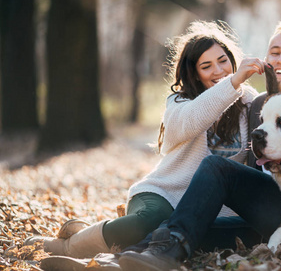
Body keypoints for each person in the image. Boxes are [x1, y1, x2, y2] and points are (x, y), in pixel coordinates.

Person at [116, 19, 281, 270]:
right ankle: (127, 260)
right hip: (265, 208)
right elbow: (211, 119)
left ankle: (154, 252)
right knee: (184, 224)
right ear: (267, 59)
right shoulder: (258, 103)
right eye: (275, 52)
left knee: (215, 171)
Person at [27, 20, 266, 260]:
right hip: (163, 194)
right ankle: (69, 247)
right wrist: (233, 82)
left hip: (204, 208)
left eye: (223, 60)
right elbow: (194, 120)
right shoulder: (179, 103)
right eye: (207, 66)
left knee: (189, 235)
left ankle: (105, 245)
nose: (219, 70)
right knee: (151, 222)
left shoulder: (248, 103)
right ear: (194, 73)